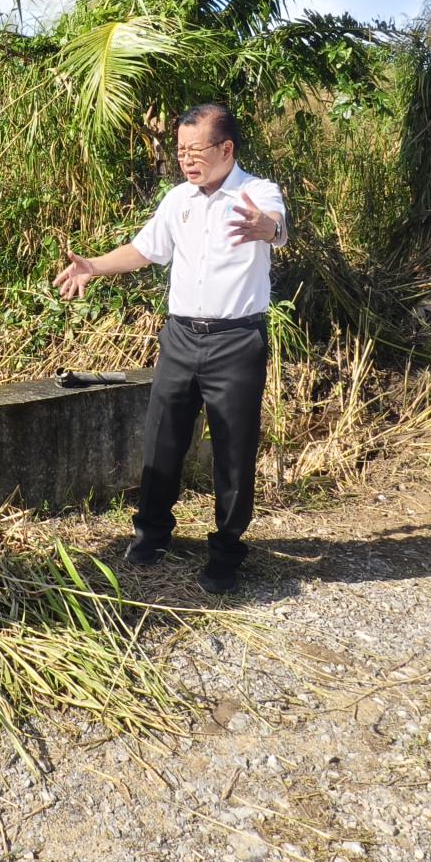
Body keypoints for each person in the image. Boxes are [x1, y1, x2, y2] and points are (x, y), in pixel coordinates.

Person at [53, 103, 288, 593]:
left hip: (236, 340)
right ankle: (152, 533)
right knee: (162, 438)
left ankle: (225, 551)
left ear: (226, 149)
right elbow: (144, 251)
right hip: (180, 337)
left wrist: (266, 228)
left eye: (196, 150)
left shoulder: (257, 192)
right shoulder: (177, 199)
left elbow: (276, 228)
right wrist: (92, 266)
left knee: (234, 450)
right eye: (181, 151)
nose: (187, 160)